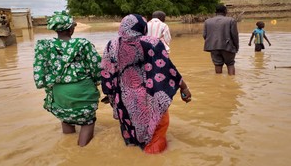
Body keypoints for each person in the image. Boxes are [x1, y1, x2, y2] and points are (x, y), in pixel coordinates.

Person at [100, 14, 192, 154]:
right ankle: (153, 158)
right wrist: (184, 88)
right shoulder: (152, 43)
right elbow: (167, 70)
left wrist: (110, 96)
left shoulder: (111, 45)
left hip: (123, 99)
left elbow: (106, 73)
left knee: (131, 131)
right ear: (142, 27)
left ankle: (134, 156)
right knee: (155, 132)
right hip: (149, 96)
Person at [33, 11, 102, 147]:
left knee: (66, 119)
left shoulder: (44, 46)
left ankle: (68, 149)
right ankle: (82, 153)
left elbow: (39, 72)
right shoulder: (83, 44)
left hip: (59, 94)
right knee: (87, 121)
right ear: (70, 29)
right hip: (82, 91)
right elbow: (97, 68)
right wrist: (97, 83)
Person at [203, 4, 239, 75]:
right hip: (228, 46)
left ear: (215, 12)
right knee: (230, 63)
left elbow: (204, 35)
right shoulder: (231, 20)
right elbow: (234, 35)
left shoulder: (207, 21)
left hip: (213, 47)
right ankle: (231, 82)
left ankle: (218, 82)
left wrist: (212, 42)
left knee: (217, 64)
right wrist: (236, 47)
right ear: (225, 11)